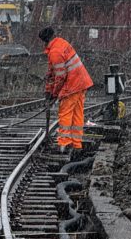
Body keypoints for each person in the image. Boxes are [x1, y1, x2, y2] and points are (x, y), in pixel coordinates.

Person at [40, 26, 93, 154]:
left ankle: (64, 144)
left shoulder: (55, 52)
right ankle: (76, 144)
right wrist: (49, 91)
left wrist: (54, 94)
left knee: (65, 113)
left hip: (72, 84)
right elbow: (52, 73)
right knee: (77, 114)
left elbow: (60, 76)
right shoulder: (61, 43)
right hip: (81, 82)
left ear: (45, 40)